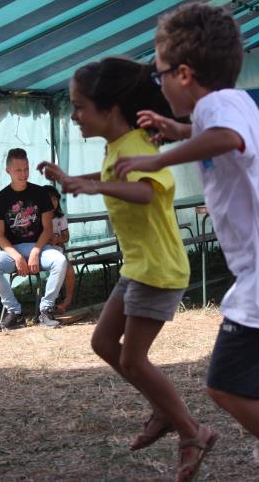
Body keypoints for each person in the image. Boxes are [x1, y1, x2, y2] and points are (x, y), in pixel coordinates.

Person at [113, 4, 259, 481]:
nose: (160, 85)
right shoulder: (231, 102)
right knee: (251, 373)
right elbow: (220, 134)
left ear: (185, 73)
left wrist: (159, 159)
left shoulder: (217, 109)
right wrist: (176, 130)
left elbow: (225, 139)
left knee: (227, 384)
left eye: (160, 77)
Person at [38, 56, 215, 482]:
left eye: (79, 106)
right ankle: (163, 411)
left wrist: (94, 185)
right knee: (102, 342)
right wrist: (74, 178)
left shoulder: (136, 145)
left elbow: (146, 193)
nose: (74, 115)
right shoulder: (118, 146)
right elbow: (109, 173)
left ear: (110, 107)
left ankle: (192, 432)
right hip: (140, 265)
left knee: (134, 360)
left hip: (158, 268)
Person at [0, 148, 68, 330]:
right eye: (18, 170)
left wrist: (36, 251)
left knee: (60, 261)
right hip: (12, 250)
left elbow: (47, 229)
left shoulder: (40, 194)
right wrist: (16, 256)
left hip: (39, 247)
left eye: (26, 169)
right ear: (8, 171)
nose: (23, 174)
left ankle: (45, 310)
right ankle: (14, 312)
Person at [42, 184, 76, 313]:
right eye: (50, 199)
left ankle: (67, 301)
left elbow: (66, 237)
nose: (53, 202)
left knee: (69, 270)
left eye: (55, 199)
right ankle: (48, 303)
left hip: (58, 250)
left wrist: (57, 240)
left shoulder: (60, 218)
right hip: (42, 252)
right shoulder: (37, 218)